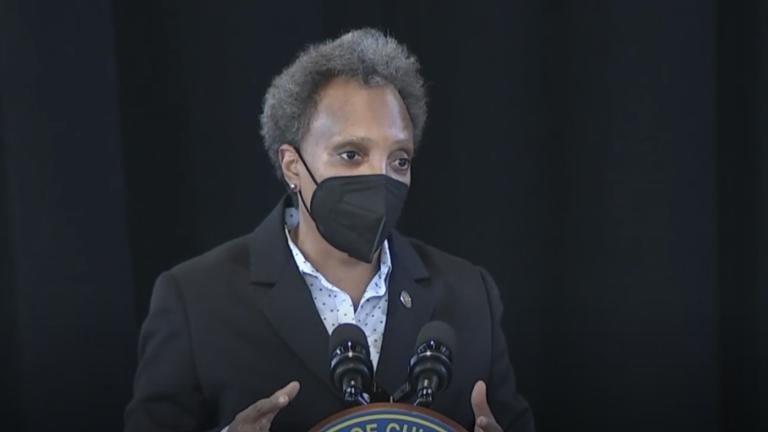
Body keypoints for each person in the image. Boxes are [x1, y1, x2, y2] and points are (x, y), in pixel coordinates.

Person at [125, 28, 534, 432]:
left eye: (399, 160)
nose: (380, 177)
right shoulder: (195, 299)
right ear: (292, 166)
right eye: (352, 154)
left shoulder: (469, 295)